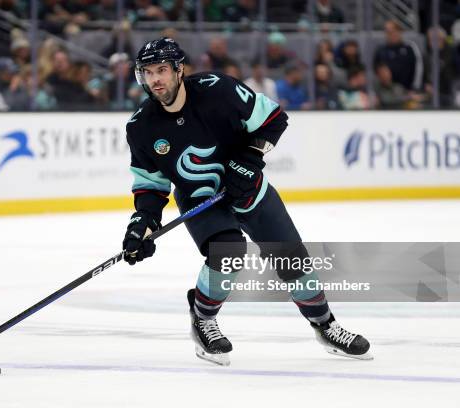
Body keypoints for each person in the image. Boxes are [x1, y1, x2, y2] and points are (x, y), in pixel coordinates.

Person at [123, 37, 372, 366]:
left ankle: (325, 326)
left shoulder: (218, 90)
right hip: (200, 198)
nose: (155, 79)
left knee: (292, 261)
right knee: (228, 253)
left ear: (179, 70)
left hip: (250, 187)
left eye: (162, 70)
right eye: (148, 72)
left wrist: (250, 159)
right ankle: (203, 320)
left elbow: (274, 120)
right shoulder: (141, 126)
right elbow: (151, 186)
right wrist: (142, 223)